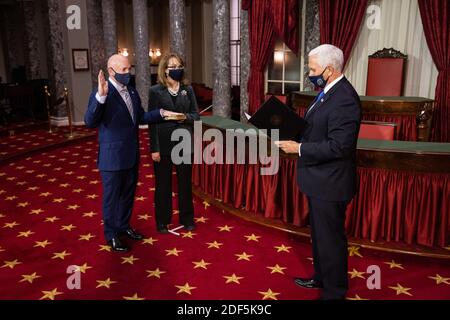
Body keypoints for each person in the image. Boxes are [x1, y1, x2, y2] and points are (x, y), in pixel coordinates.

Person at [275, 44, 361, 300]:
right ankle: (321, 278)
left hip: (331, 183)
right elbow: (316, 126)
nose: (309, 73)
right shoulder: (328, 91)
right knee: (320, 237)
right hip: (319, 180)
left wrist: (299, 148)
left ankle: (334, 292)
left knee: (331, 240)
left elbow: (339, 146)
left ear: (330, 70)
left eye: (312, 69)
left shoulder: (345, 98)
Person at [85, 54, 182, 252]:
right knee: (112, 198)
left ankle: (123, 226)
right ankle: (111, 236)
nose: (128, 73)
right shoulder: (102, 92)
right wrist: (101, 97)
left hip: (131, 154)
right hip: (112, 158)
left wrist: (161, 113)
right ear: (111, 71)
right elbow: (89, 122)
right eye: (123, 70)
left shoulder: (131, 90)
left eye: (129, 69)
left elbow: (140, 117)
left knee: (128, 195)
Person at [148, 53, 200, 233]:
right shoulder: (155, 91)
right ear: (164, 69)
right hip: (162, 145)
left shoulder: (188, 89)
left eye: (179, 66)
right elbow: (152, 121)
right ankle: (162, 220)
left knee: (185, 184)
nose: (176, 69)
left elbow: (196, 116)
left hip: (184, 143)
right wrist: (154, 148)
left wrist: (184, 117)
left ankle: (187, 219)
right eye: (172, 66)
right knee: (163, 185)